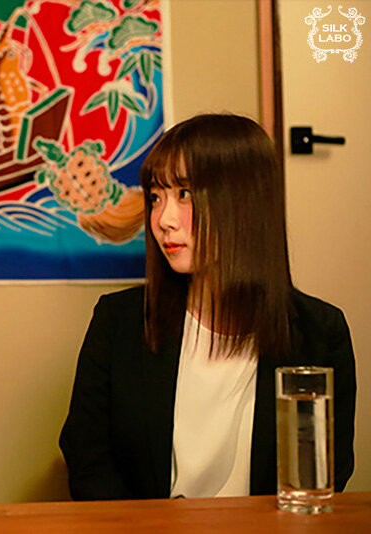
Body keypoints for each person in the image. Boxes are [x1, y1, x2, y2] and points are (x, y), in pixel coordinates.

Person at [60, 114, 356, 500]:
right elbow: (87, 461)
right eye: (156, 197)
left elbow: (325, 475)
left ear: (244, 202)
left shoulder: (319, 331)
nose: (163, 220)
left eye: (185, 194)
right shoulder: (119, 321)